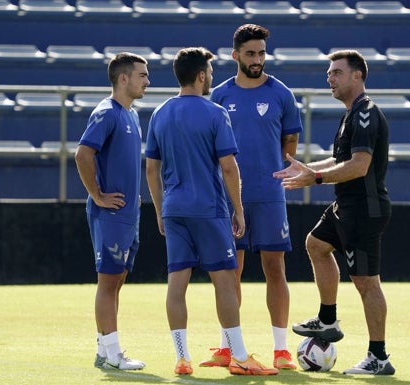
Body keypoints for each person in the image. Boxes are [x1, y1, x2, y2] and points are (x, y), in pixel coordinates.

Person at [144, 47, 279, 376]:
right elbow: (229, 168)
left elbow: (151, 168)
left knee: (177, 282)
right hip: (208, 209)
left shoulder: (159, 113)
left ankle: (182, 357)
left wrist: (161, 211)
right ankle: (240, 357)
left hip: (175, 210)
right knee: (224, 281)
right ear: (201, 75)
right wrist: (239, 210)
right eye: (211, 73)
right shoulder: (216, 113)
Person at [273, 49, 396, 376]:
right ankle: (327, 321)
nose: (330, 78)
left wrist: (315, 177)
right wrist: (307, 169)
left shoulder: (366, 113)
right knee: (316, 244)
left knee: (367, 283)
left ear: (357, 76)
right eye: (329, 73)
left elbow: (358, 166)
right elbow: (340, 160)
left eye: (337, 72)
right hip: (346, 206)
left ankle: (379, 357)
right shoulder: (350, 114)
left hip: (364, 210)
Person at [201, 23, 303, 371]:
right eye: (250, 53)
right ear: (235, 56)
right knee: (231, 271)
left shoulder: (282, 94)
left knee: (275, 268)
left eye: (261, 52)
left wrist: (275, 174)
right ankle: (228, 348)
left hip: (270, 196)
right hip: (230, 198)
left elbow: (290, 144)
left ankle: (281, 350)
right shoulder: (220, 95)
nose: (257, 59)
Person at [74, 52, 149, 370]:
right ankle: (113, 354)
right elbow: (82, 154)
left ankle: (106, 349)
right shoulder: (107, 112)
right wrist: (97, 195)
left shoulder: (130, 115)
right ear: (124, 78)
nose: (147, 80)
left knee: (116, 281)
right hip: (112, 214)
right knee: (108, 282)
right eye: (142, 75)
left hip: (128, 213)